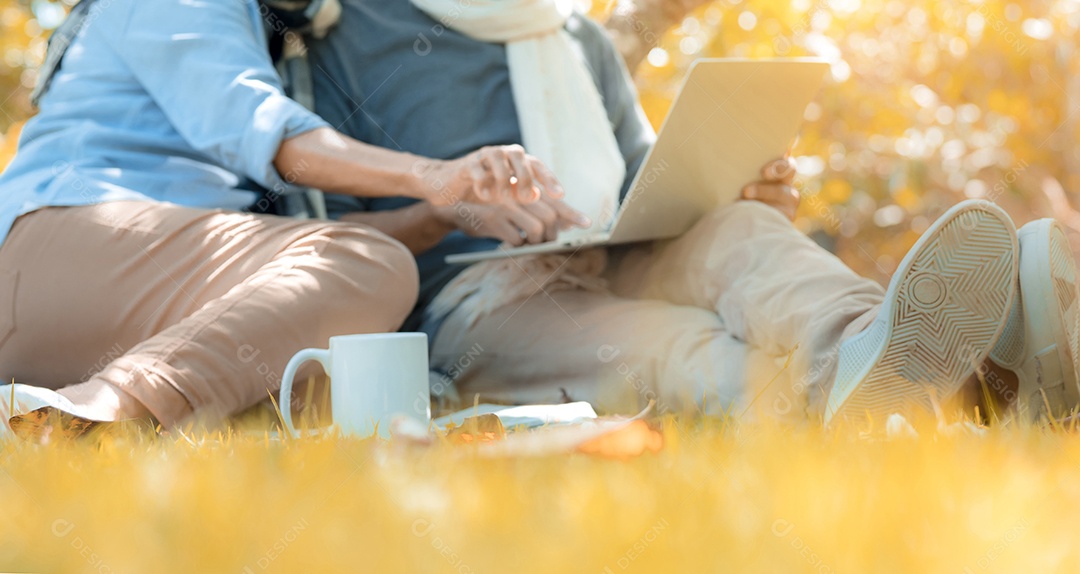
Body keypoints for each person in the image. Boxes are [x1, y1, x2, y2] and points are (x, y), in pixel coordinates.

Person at [305, 0, 1080, 425]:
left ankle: (869, 351)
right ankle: (979, 390)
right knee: (678, 348)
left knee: (747, 232)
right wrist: (447, 205)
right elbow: (326, 245)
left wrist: (735, 186)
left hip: (624, 249)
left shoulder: (572, 32)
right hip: (482, 295)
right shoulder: (355, 29)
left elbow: (645, 181)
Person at [0, 0, 548, 438]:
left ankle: (68, 410)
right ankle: (100, 410)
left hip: (91, 292)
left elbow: (319, 265)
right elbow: (271, 134)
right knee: (367, 269)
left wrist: (438, 214)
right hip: (54, 240)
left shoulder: (272, 35)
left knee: (327, 382)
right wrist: (433, 174)